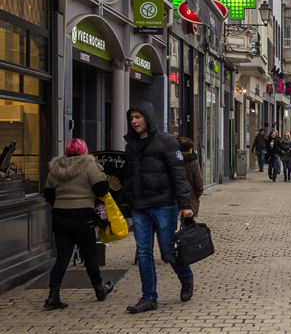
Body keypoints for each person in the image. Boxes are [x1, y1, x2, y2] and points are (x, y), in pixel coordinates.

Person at [120, 101, 194, 314]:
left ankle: (187, 279)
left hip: (163, 205)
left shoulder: (166, 141)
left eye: (138, 117)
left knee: (168, 252)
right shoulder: (131, 145)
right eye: (131, 118)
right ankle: (149, 298)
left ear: (148, 118)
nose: (134, 121)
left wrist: (185, 204)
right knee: (144, 252)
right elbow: (130, 175)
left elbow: (179, 175)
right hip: (140, 206)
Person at [42, 138, 116, 310]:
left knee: (62, 257)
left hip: (60, 217)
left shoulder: (55, 168)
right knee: (89, 255)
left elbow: (48, 195)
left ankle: (53, 296)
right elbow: (102, 189)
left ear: (67, 151)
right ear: (84, 150)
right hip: (83, 217)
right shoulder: (90, 165)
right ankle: (99, 289)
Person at [178, 137, 204, 218]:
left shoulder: (173, 160)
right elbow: (198, 182)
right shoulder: (193, 162)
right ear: (190, 149)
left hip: (174, 198)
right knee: (188, 226)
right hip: (190, 197)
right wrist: (197, 195)